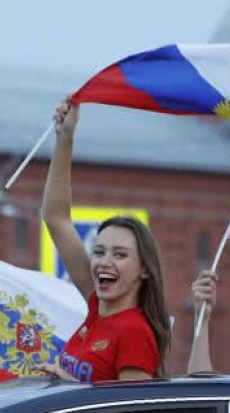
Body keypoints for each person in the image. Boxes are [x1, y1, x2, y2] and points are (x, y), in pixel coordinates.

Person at [37, 98, 170, 382]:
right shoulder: (97, 306)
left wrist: (67, 386)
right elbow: (55, 217)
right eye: (99, 252)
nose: (104, 262)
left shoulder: (134, 331)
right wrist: (65, 138)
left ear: (145, 269)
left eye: (120, 255)